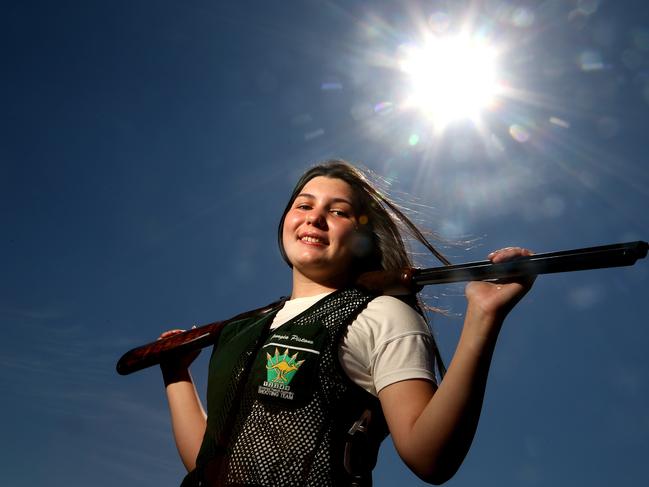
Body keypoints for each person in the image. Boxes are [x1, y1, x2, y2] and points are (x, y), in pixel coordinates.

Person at [159, 160, 535, 486]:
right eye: (303, 204)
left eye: (338, 211)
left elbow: (429, 457)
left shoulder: (382, 315)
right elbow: (209, 462)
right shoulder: (239, 334)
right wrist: (175, 374)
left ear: (362, 238)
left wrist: (483, 316)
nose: (315, 217)